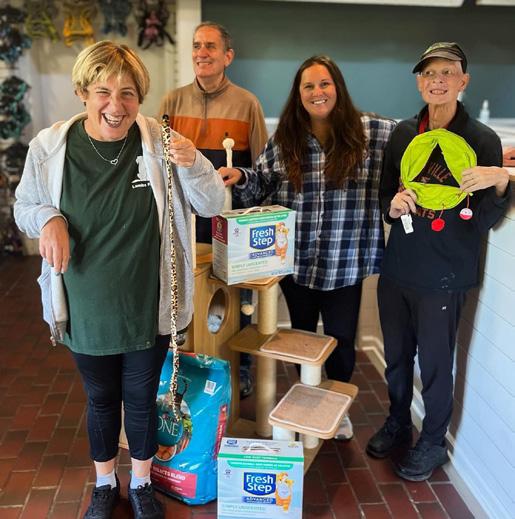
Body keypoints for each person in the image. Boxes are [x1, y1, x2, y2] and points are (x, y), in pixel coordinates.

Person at [14, 41, 225, 519]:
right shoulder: (50, 147)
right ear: (83, 93)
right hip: (84, 304)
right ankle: (105, 483)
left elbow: (212, 204)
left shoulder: (160, 141)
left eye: (128, 93)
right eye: (103, 92)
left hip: (147, 304)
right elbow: (24, 206)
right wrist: (48, 218)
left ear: (140, 97)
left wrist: (194, 162)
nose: (116, 105)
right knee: (102, 398)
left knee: (142, 398)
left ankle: (143, 483)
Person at [220, 55, 395, 440]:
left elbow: (424, 142)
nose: (318, 92)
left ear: (338, 88)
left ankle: (338, 408)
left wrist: (488, 155)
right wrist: (240, 176)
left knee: (342, 340)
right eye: (309, 86)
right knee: (301, 337)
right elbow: (261, 183)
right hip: (297, 261)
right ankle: (310, 401)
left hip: (345, 261)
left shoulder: (373, 132)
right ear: (299, 94)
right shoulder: (286, 139)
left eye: (324, 83)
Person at [366, 42, 511, 482]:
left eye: (447, 72)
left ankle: (432, 442)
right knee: (396, 357)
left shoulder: (482, 140)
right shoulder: (404, 134)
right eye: (429, 73)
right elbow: (386, 194)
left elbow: (485, 220)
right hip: (400, 263)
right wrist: (393, 206)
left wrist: (500, 181)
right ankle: (397, 421)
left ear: (463, 81)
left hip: (447, 271)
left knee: (434, 363)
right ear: (419, 82)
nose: (438, 80)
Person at [159, 21, 268, 398]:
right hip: (186, 221)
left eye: (210, 46)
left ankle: (241, 367)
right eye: (196, 46)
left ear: (227, 56)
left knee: (236, 297)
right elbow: (158, 160)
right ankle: (186, 366)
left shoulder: (247, 103)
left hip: (229, 221)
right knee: (185, 291)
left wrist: (241, 178)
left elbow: (262, 169)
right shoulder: (172, 102)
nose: (201, 53)